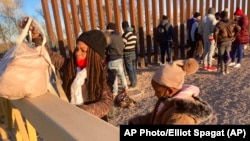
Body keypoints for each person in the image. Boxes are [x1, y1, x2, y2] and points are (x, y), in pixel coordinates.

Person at [19, 17, 113, 122]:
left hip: (93, 123)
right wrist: (36, 36)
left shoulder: (100, 73)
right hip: (72, 120)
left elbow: (107, 101)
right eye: (77, 49)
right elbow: (49, 55)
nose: (77, 53)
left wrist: (86, 110)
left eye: (83, 50)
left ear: (94, 55)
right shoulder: (69, 65)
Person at [128, 58, 216, 124]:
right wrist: (140, 121)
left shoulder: (181, 116)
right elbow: (158, 116)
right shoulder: (167, 100)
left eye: (157, 91)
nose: (155, 94)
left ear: (169, 90)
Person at [105, 22, 129, 98]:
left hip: (112, 59)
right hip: (120, 58)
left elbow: (106, 47)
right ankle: (125, 88)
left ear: (109, 29)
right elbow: (122, 45)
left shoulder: (110, 37)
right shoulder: (119, 36)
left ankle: (115, 93)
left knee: (114, 77)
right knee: (121, 74)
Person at [214, 11, 241, 75]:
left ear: (221, 16)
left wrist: (216, 41)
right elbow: (239, 28)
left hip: (221, 41)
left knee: (222, 56)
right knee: (227, 55)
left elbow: (215, 32)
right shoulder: (232, 22)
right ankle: (226, 70)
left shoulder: (219, 23)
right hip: (229, 41)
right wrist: (234, 36)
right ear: (227, 15)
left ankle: (222, 70)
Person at [198, 7, 218, 72]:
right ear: (213, 12)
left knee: (205, 51)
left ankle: (205, 65)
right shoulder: (213, 19)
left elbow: (199, 30)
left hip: (205, 37)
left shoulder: (204, 19)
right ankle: (210, 66)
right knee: (211, 51)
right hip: (211, 37)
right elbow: (213, 29)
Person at [121, 21, 138, 89]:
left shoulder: (125, 35)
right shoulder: (134, 34)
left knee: (130, 69)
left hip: (127, 54)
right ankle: (135, 81)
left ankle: (133, 83)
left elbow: (122, 45)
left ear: (123, 27)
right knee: (133, 68)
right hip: (133, 53)